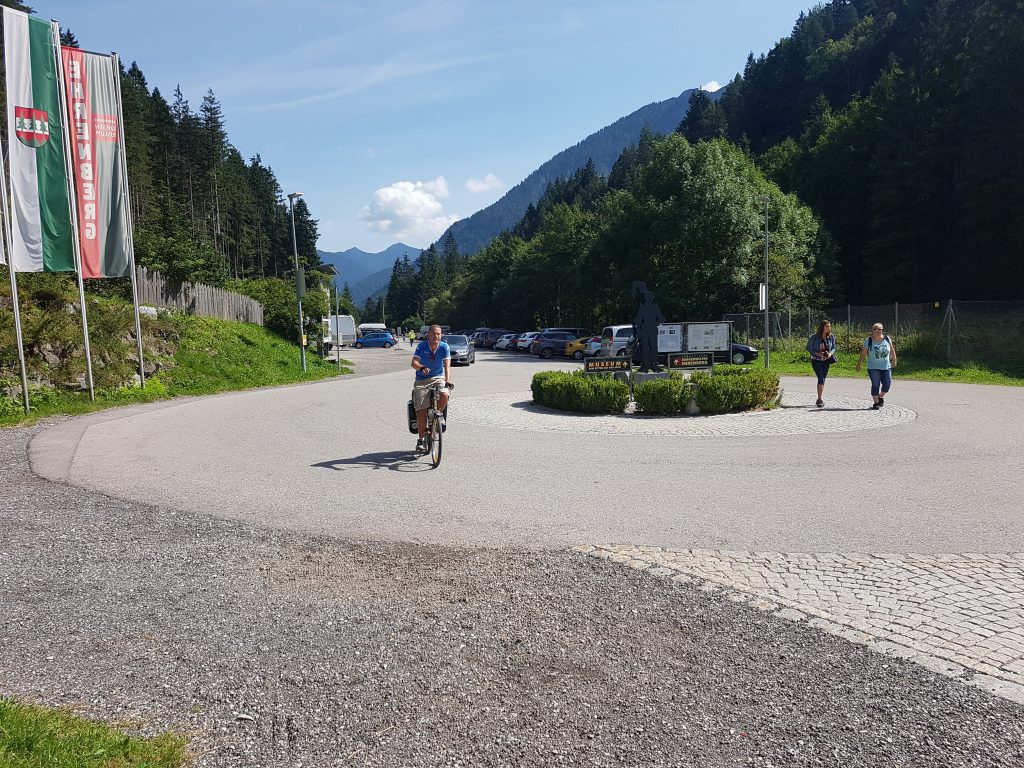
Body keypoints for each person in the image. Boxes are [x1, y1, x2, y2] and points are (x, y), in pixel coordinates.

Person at [411, 325, 452, 451]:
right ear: (428, 334)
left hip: (438, 378)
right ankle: (421, 439)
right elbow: (414, 363)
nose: (436, 336)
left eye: (439, 334)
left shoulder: (444, 347)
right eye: (434, 333)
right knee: (421, 409)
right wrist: (421, 367)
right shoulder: (422, 346)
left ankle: (438, 416)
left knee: (445, 394)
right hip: (422, 380)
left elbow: (447, 366)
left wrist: (447, 381)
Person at [855, 323, 897, 410]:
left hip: (886, 366)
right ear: (873, 331)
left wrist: (894, 360)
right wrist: (859, 364)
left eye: (880, 329)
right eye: (877, 329)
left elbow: (892, 350)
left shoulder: (887, 339)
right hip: (873, 367)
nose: (879, 331)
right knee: (875, 384)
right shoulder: (869, 340)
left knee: (887, 384)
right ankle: (876, 402)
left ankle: (880, 396)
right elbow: (863, 354)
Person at [805, 319, 837, 408]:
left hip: (826, 361)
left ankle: (819, 398)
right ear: (822, 327)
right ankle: (819, 399)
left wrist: (830, 354)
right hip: (816, 360)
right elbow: (808, 347)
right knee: (821, 378)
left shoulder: (831, 336)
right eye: (827, 326)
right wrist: (816, 353)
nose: (828, 328)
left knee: (823, 379)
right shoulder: (814, 337)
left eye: (829, 326)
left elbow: (834, 347)